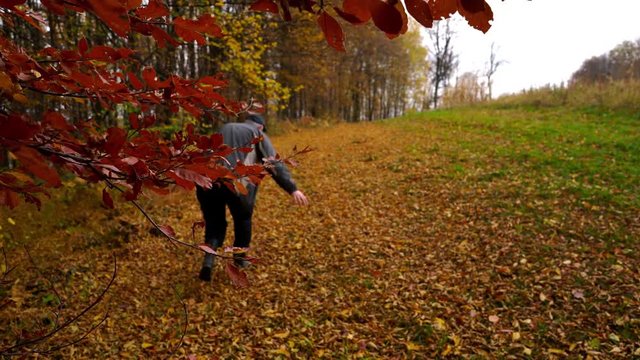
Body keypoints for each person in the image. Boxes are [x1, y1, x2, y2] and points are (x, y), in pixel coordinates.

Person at [196, 114, 308, 281]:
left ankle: (208, 261)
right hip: (235, 183)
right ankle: (240, 260)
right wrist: (292, 189)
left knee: (214, 223)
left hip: (206, 181)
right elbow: (272, 162)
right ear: (261, 126)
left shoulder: (224, 128)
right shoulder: (257, 133)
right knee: (242, 219)